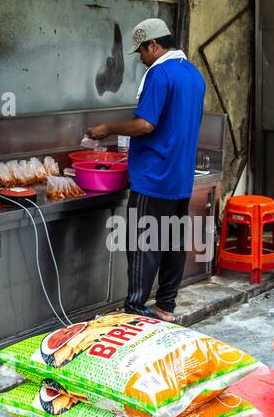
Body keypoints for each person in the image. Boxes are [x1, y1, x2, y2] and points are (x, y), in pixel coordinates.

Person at [86, 18, 205, 322]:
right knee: (172, 241)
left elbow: (145, 124)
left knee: (143, 244)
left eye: (140, 51)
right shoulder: (193, 74)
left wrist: (107, 129)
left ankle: (135, 311)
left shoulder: (160, 74)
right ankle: (165, 306)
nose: (140, 58)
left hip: (154, 177)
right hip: (180, 175)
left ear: (153, 45)